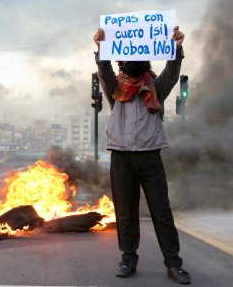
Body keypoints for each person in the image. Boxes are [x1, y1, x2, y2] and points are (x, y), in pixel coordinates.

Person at [93, 26, 191, 284]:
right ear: (121, 62)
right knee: (125, 212)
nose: (131, 61)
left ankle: (174, 264)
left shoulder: (157, 87)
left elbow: (172, 71)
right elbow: (103, 71)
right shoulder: (115, 89)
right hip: (121, 157)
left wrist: (177, 48)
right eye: (125, 59)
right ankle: (128, 259)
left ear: (146, 59)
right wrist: (101, 47)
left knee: (162, 212)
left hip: (150, 156)